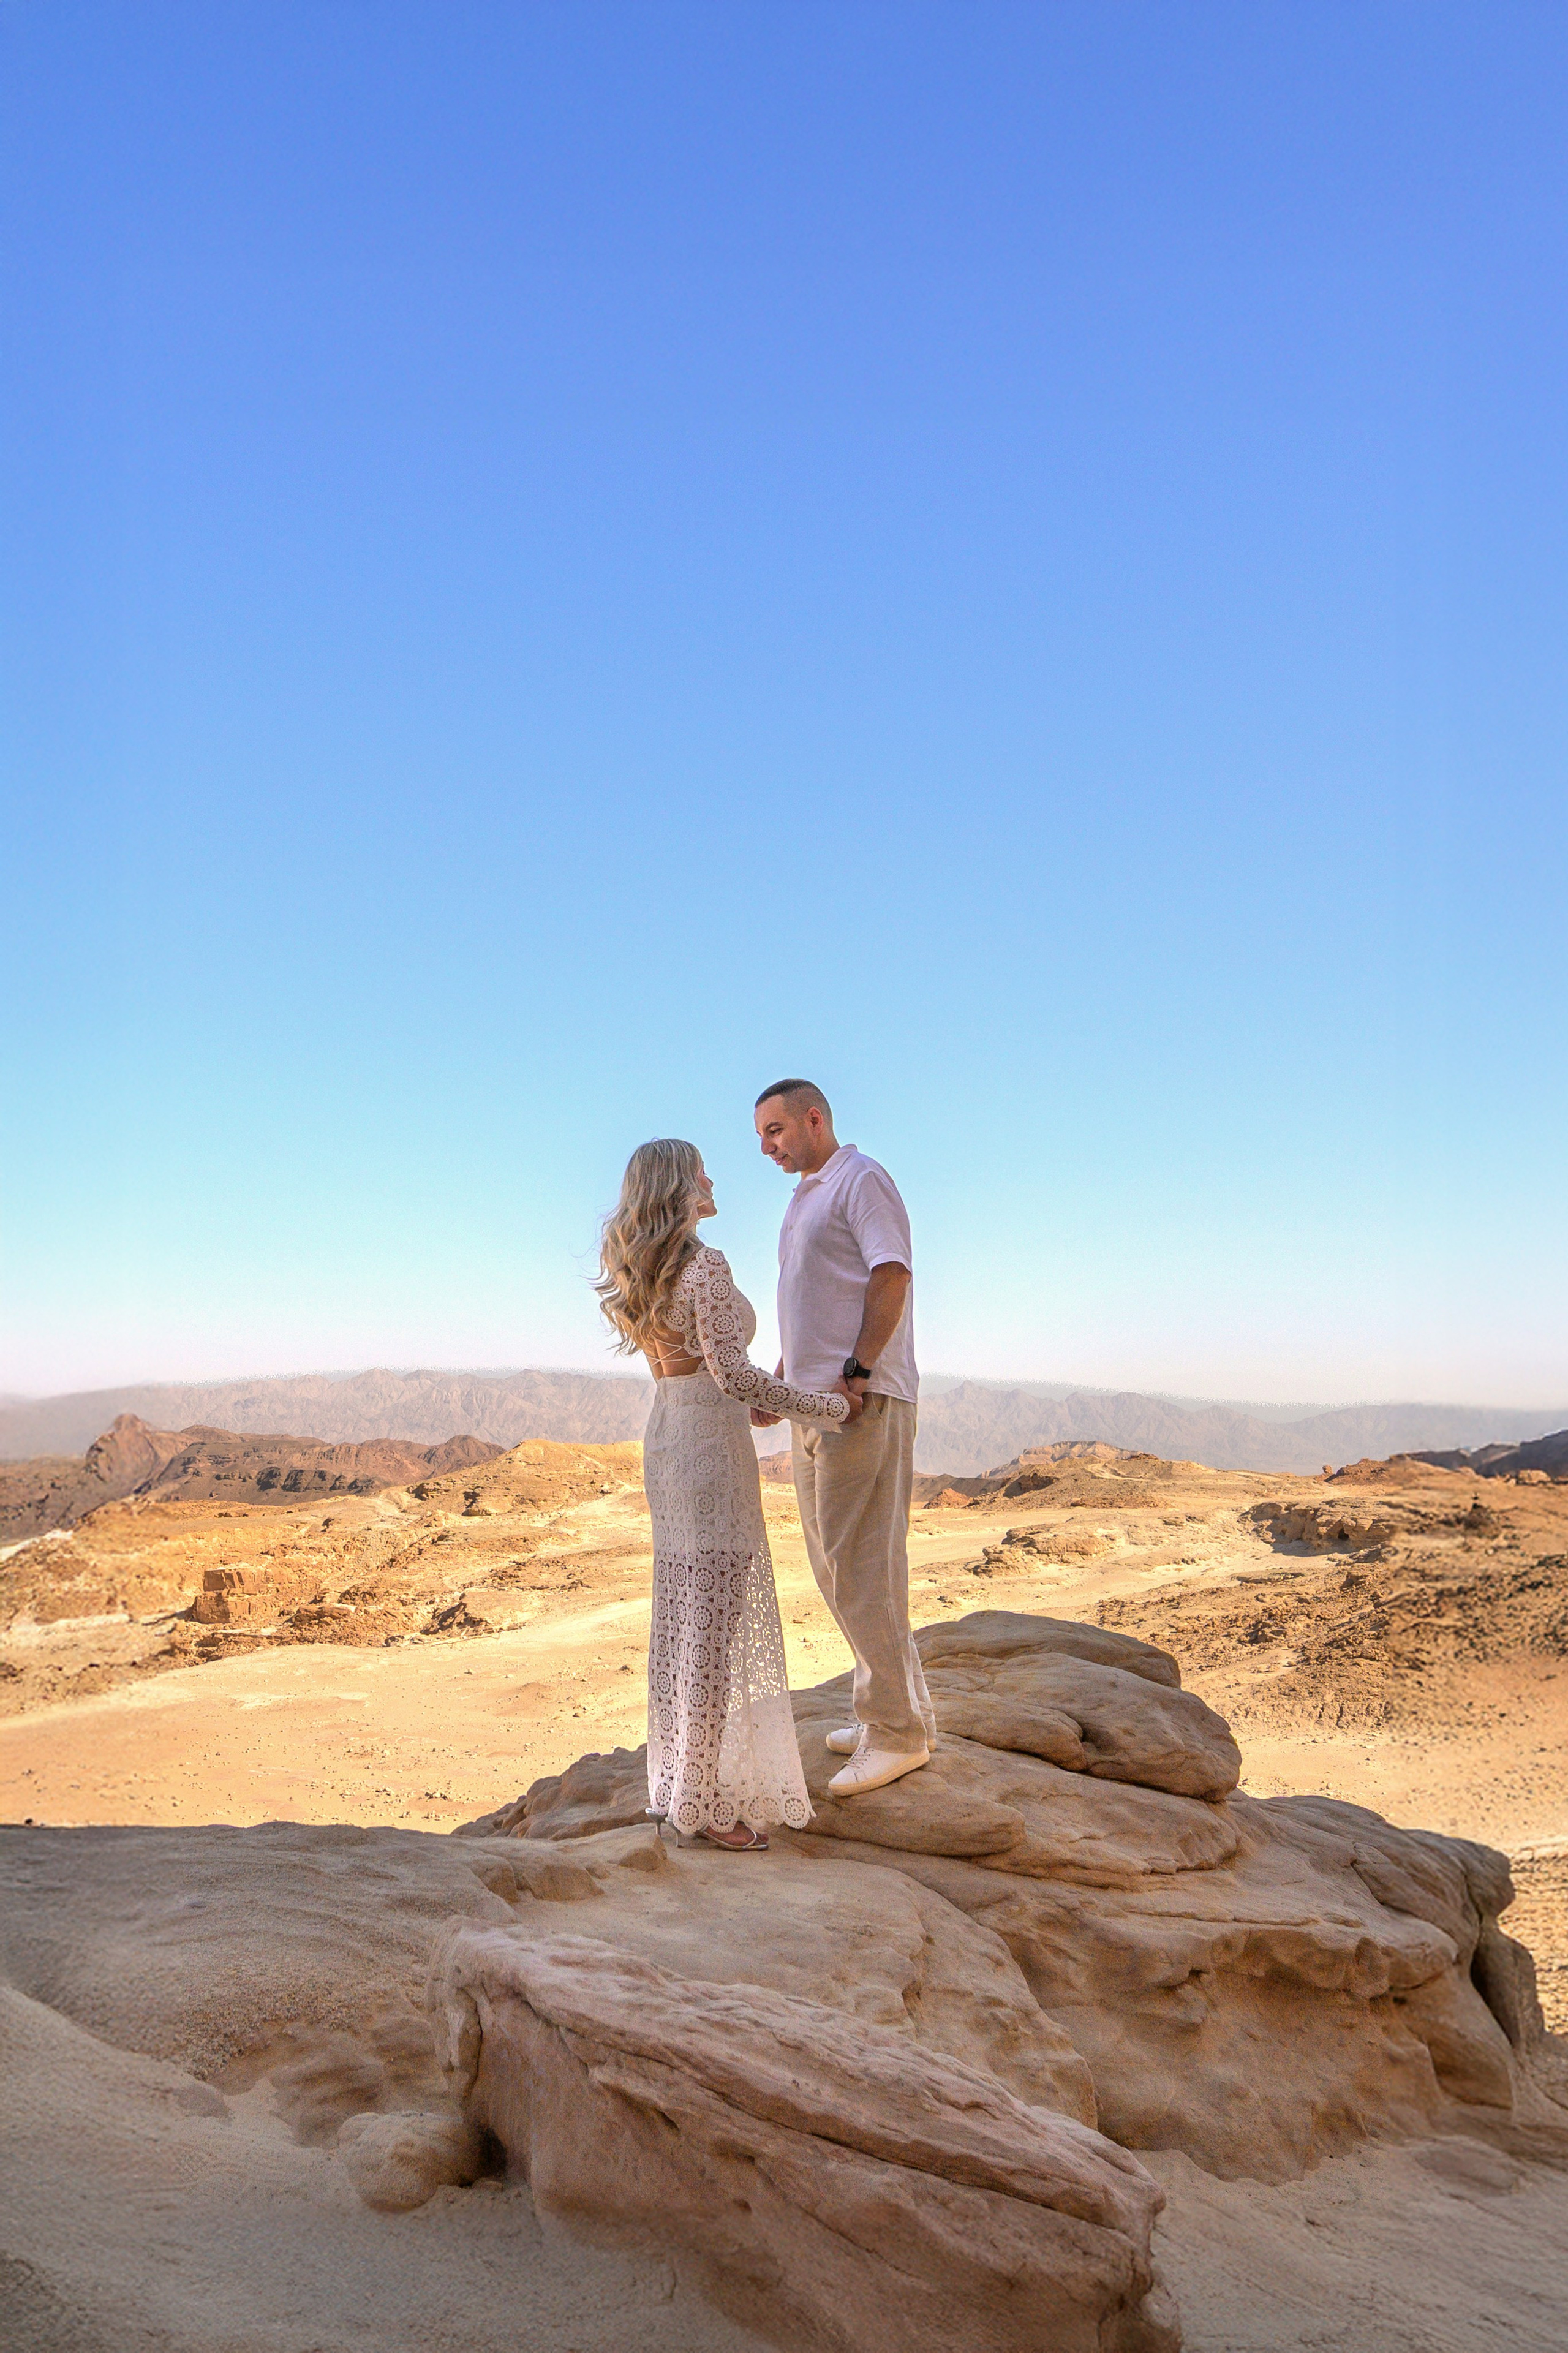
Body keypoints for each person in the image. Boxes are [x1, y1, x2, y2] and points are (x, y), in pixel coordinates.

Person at [596, 1138, 853, 1851]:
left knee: (685, 1616)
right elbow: (734, 1376)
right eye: (701, 1169)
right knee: (712, 1623)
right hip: (708, 1450)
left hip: (669, 1436)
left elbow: (704, 1374)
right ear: (679, 1185)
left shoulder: (642, 1266)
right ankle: (704, 1804)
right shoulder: (703, 1265)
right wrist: (824, 1407)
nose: (713, 1178)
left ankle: (678, 1783)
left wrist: (755, 1402)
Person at [752, 1081, 936, 1796]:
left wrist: (855, 1373)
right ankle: (892, 1712)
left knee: (862, 1568)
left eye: (775, 1131)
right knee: (836, 1568)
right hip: (811, 1404)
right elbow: (815, 1301)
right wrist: (782, 1377)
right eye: (762, 1136)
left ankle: (897, 1735)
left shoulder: (860, 1179)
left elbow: (891, 1274)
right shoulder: (806, 1195)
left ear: (814, 1119)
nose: (767, 1147)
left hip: (859, 1404)